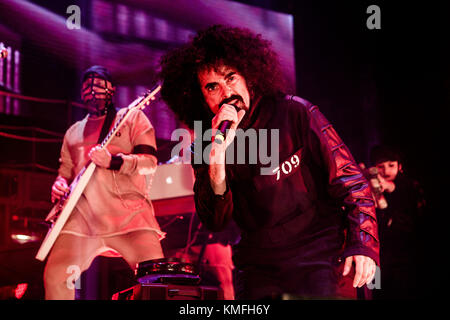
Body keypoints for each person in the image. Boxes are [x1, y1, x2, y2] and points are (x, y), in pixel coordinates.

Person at [159, 25, 379, 299]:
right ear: (201, 98)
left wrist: (363, 245)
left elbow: (350, 181)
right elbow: (215, 220)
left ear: (248, 77)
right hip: (259, 265)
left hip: (320, 251)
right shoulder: (207, 143)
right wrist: (216, 159)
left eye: (231, 78)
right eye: (212, 87)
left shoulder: (294, 112)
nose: (227, 92)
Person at [44, 65, 165, 300]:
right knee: (56, 276)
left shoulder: (132, 118)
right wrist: (58, 184)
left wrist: (114, 162)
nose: (93, 89)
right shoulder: (73, 132)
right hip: (82, 222)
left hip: (129, 217)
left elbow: (149, 162)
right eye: (87, 84)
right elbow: (65, 172)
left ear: (113, 89)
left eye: (99, 83)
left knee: (156, 280)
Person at [369, 145, 425, 299]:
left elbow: (415, 217)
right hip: (378, 255)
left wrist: (391, 189)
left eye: (391, 165)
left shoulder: (410, 186)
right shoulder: (369, 187)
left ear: (400, 166)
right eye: (381, 166)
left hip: (404, 256)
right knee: (376, 290)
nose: (386, 171)